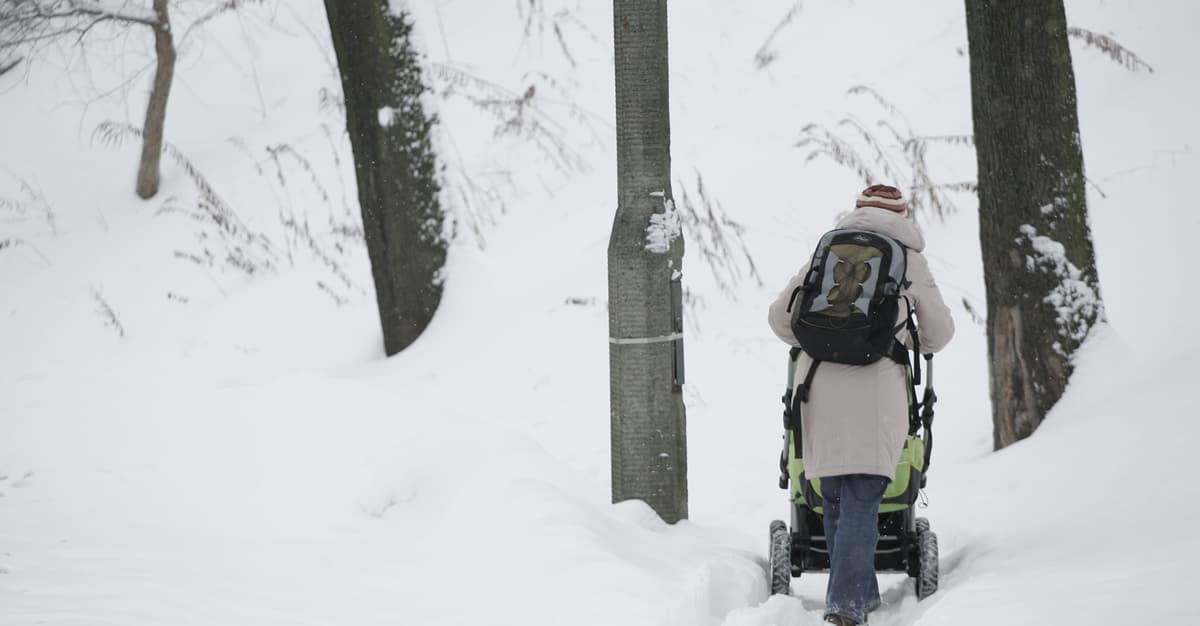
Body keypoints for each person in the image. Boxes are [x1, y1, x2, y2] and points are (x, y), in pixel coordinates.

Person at [767, 185, 955, 626]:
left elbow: (780, 318)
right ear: (903, 214)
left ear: (856, 211)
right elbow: (939, 334)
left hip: (816, 388)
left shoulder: (826, 252)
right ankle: (847, 608)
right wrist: (905, 338)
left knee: (833, 497)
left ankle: (856, 596)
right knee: (863, 497)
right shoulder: (908, 258)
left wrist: (822, 342)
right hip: (877, 392)